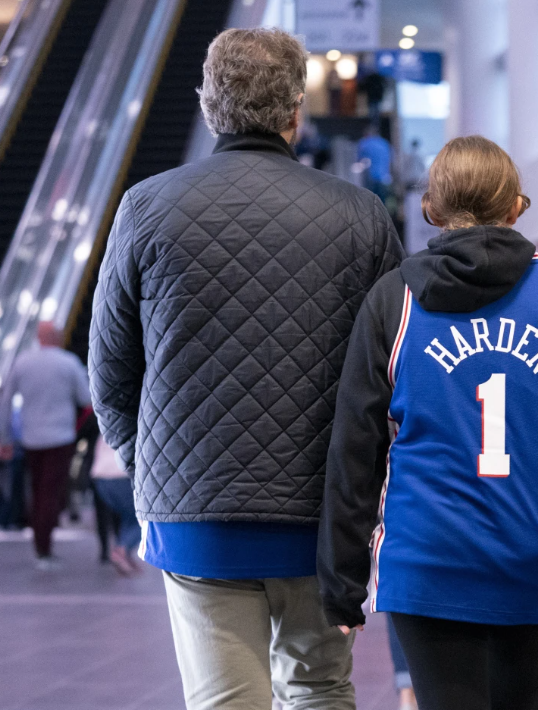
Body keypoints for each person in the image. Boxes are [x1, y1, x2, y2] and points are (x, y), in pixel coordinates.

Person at [89, 28, 404, 710]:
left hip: (195, 511)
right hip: (323, 509)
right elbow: (390, 372)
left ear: (208, 108)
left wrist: (153, 464)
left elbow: (110, 368)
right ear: (296, 111)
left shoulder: (146, 208)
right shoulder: (360, 215)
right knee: (320, 687)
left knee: (224, 698)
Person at [318, 135, 538, 710]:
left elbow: (354, 450)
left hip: (428, 558)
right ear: (516, 207)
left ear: (430, 211)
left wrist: (342, 583)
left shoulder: (396, 300)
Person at [0, 322, 91, 568]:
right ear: (58, 337)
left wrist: (5, 439)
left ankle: (40, 543)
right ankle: (44, 547)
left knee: (38, 489)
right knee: (51, 493)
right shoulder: (68, 362)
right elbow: (86, 398)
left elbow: (5, 401)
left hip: (30, 438)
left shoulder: (21, 362)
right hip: (60, 437)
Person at [90, 436, 140, 575]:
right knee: (143, 518)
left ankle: (124, 553)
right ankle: (121, 550)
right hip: (121, 476)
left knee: (129, 516)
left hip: (100, 478)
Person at [357, 123, 393, 203]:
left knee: (369, 203)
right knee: (382, 203)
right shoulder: (385, 143)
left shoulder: (364, 143)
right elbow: (391, 162)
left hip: (370, 179)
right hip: (384, 178)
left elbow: (359, 161)